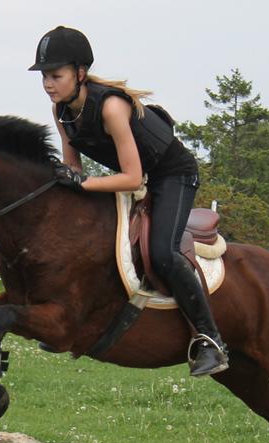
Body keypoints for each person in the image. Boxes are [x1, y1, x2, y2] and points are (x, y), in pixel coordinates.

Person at [30, 26, 227, 376]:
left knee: (164, 253)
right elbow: (73, 168)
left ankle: (210, 339)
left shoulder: (111, 107)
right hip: (135, 176)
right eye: (44, 76)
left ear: (79, 73)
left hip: (173, 176)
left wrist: (83, 182)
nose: (48, 83)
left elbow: (133, 178)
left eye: (55, 75)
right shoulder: (61, 111)